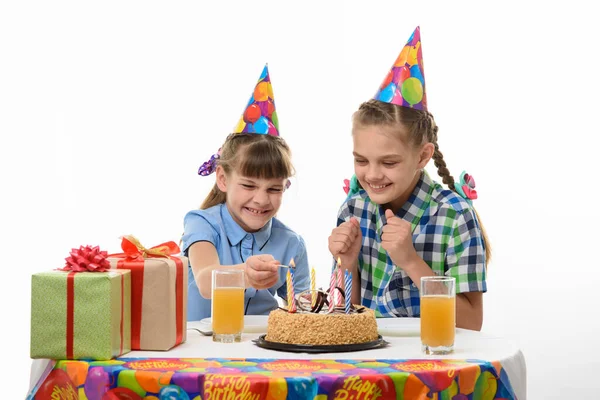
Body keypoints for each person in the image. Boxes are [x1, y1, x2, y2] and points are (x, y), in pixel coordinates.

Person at [328, 27, 489, 331]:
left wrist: (412, 262)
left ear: (422, 156)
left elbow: (471, 324)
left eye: (388, 162)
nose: (372, 174)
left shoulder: (455, 216)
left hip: (433, 362)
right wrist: (347, 263)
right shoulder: (353, 212)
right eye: (361, 160)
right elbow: (341, 324)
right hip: (371, 365)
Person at [182, 64, 309, 321]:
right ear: (222, 178)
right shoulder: (202, 223)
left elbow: (303, 307)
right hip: (202, 345)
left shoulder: (291, 243)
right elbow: (206, 282)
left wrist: (311, 303)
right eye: (249, 185)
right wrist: (246, 274)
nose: (261, 199)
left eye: (274, 188)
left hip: (261, 348)